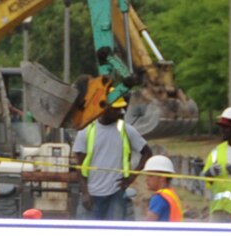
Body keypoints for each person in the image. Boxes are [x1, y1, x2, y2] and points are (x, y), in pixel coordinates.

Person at [73, 86, 152, 220]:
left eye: (120, 108)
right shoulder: (86, 131)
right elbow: (79, 167)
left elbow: (147, 153)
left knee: (115, 235)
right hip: (91, 194)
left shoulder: (127, 130)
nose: (119, 112)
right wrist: (85, 193)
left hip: (116, 194)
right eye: (115, 108)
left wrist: (131, 177)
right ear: (104, 108)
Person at [141, 154, 184, 222]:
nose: (146, 179)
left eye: (150, 176)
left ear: (162, 178)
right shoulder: (171, 194)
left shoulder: (159, 198)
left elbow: (149, 224)